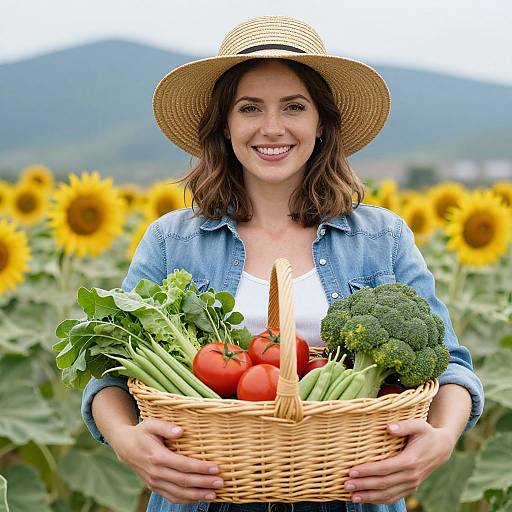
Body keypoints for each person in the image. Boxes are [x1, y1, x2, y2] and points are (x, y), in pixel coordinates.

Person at [81, 16, 484, 512]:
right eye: (250, 108)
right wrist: (125, 439)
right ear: (225, 126)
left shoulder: (381, 238)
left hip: (354, 492)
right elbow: (107, 373)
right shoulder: (172, 241)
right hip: (204, 493)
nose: (272, 128)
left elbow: (451, 367)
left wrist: (440, 441)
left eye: (294, 106)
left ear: (320, 124)